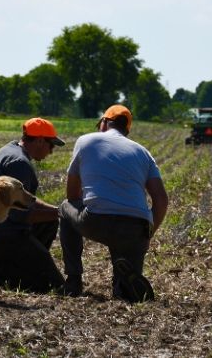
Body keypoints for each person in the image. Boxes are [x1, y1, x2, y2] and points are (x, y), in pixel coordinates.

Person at [59, 104, 169, 302]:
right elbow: (161, 200)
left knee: (65, 208)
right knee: (128, 282)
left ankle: (73, 279)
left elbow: (72, 194)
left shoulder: (85, 141)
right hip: (136, 228)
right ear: (127, 129)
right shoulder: (143, 153)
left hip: (96, 221)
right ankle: (123, 284)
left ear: (105, 123)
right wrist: (148, 233)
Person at [0, 117, 66, 293]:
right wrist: (64, 214)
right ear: (40, 141)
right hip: (4, 234)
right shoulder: (19, 164)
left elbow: (29, 201)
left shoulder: (10, 151)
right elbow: (21, 215)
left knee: (50, 221)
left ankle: (8, 264)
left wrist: (56, 211)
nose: (51, 152)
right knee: (54, 285)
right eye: (51, 146)